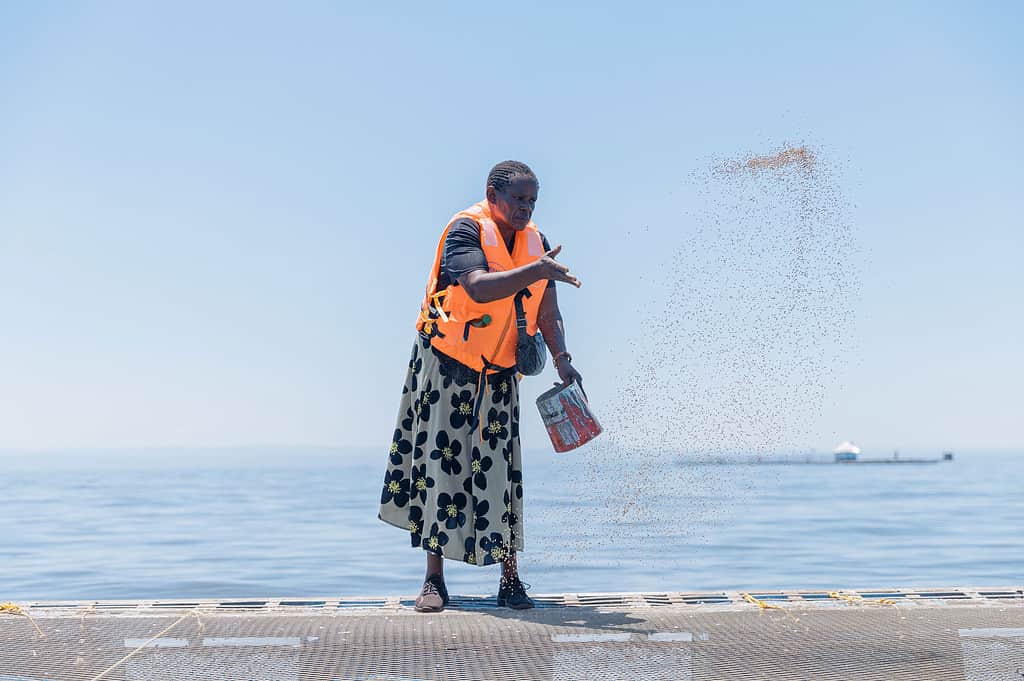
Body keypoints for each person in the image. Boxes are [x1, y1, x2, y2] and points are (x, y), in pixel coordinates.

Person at [378, 160, 583, 612]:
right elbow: (477, 288)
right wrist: (537, 271)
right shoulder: (465, 232)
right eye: (518, 199)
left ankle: (510, 580)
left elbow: (548, 312)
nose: (526, 209)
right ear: (492, 195)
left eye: (533, 200)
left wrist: (564, 361)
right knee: (440, 468)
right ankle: (434, 581)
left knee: (502, 472)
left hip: (499, 371)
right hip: (446, 365)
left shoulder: (537, 246)